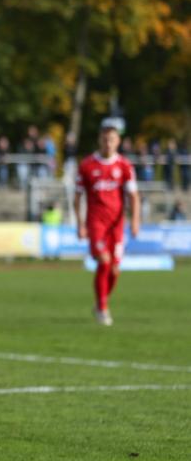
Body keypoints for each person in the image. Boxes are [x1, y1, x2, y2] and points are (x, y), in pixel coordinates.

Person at [74, 122, 141, 326]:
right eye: (105, 139)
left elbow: (133, 196)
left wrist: (135, 220)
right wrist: (80, 223)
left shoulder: (124, 166)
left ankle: (100, 302)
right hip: (96, 223)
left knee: (114, 270)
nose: (108, 143)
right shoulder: (87, 166)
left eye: (112, 139)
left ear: (118, 141)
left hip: (116, 225)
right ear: (99, 140)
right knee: (103, 261)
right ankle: (103, 308)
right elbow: (77, 197)